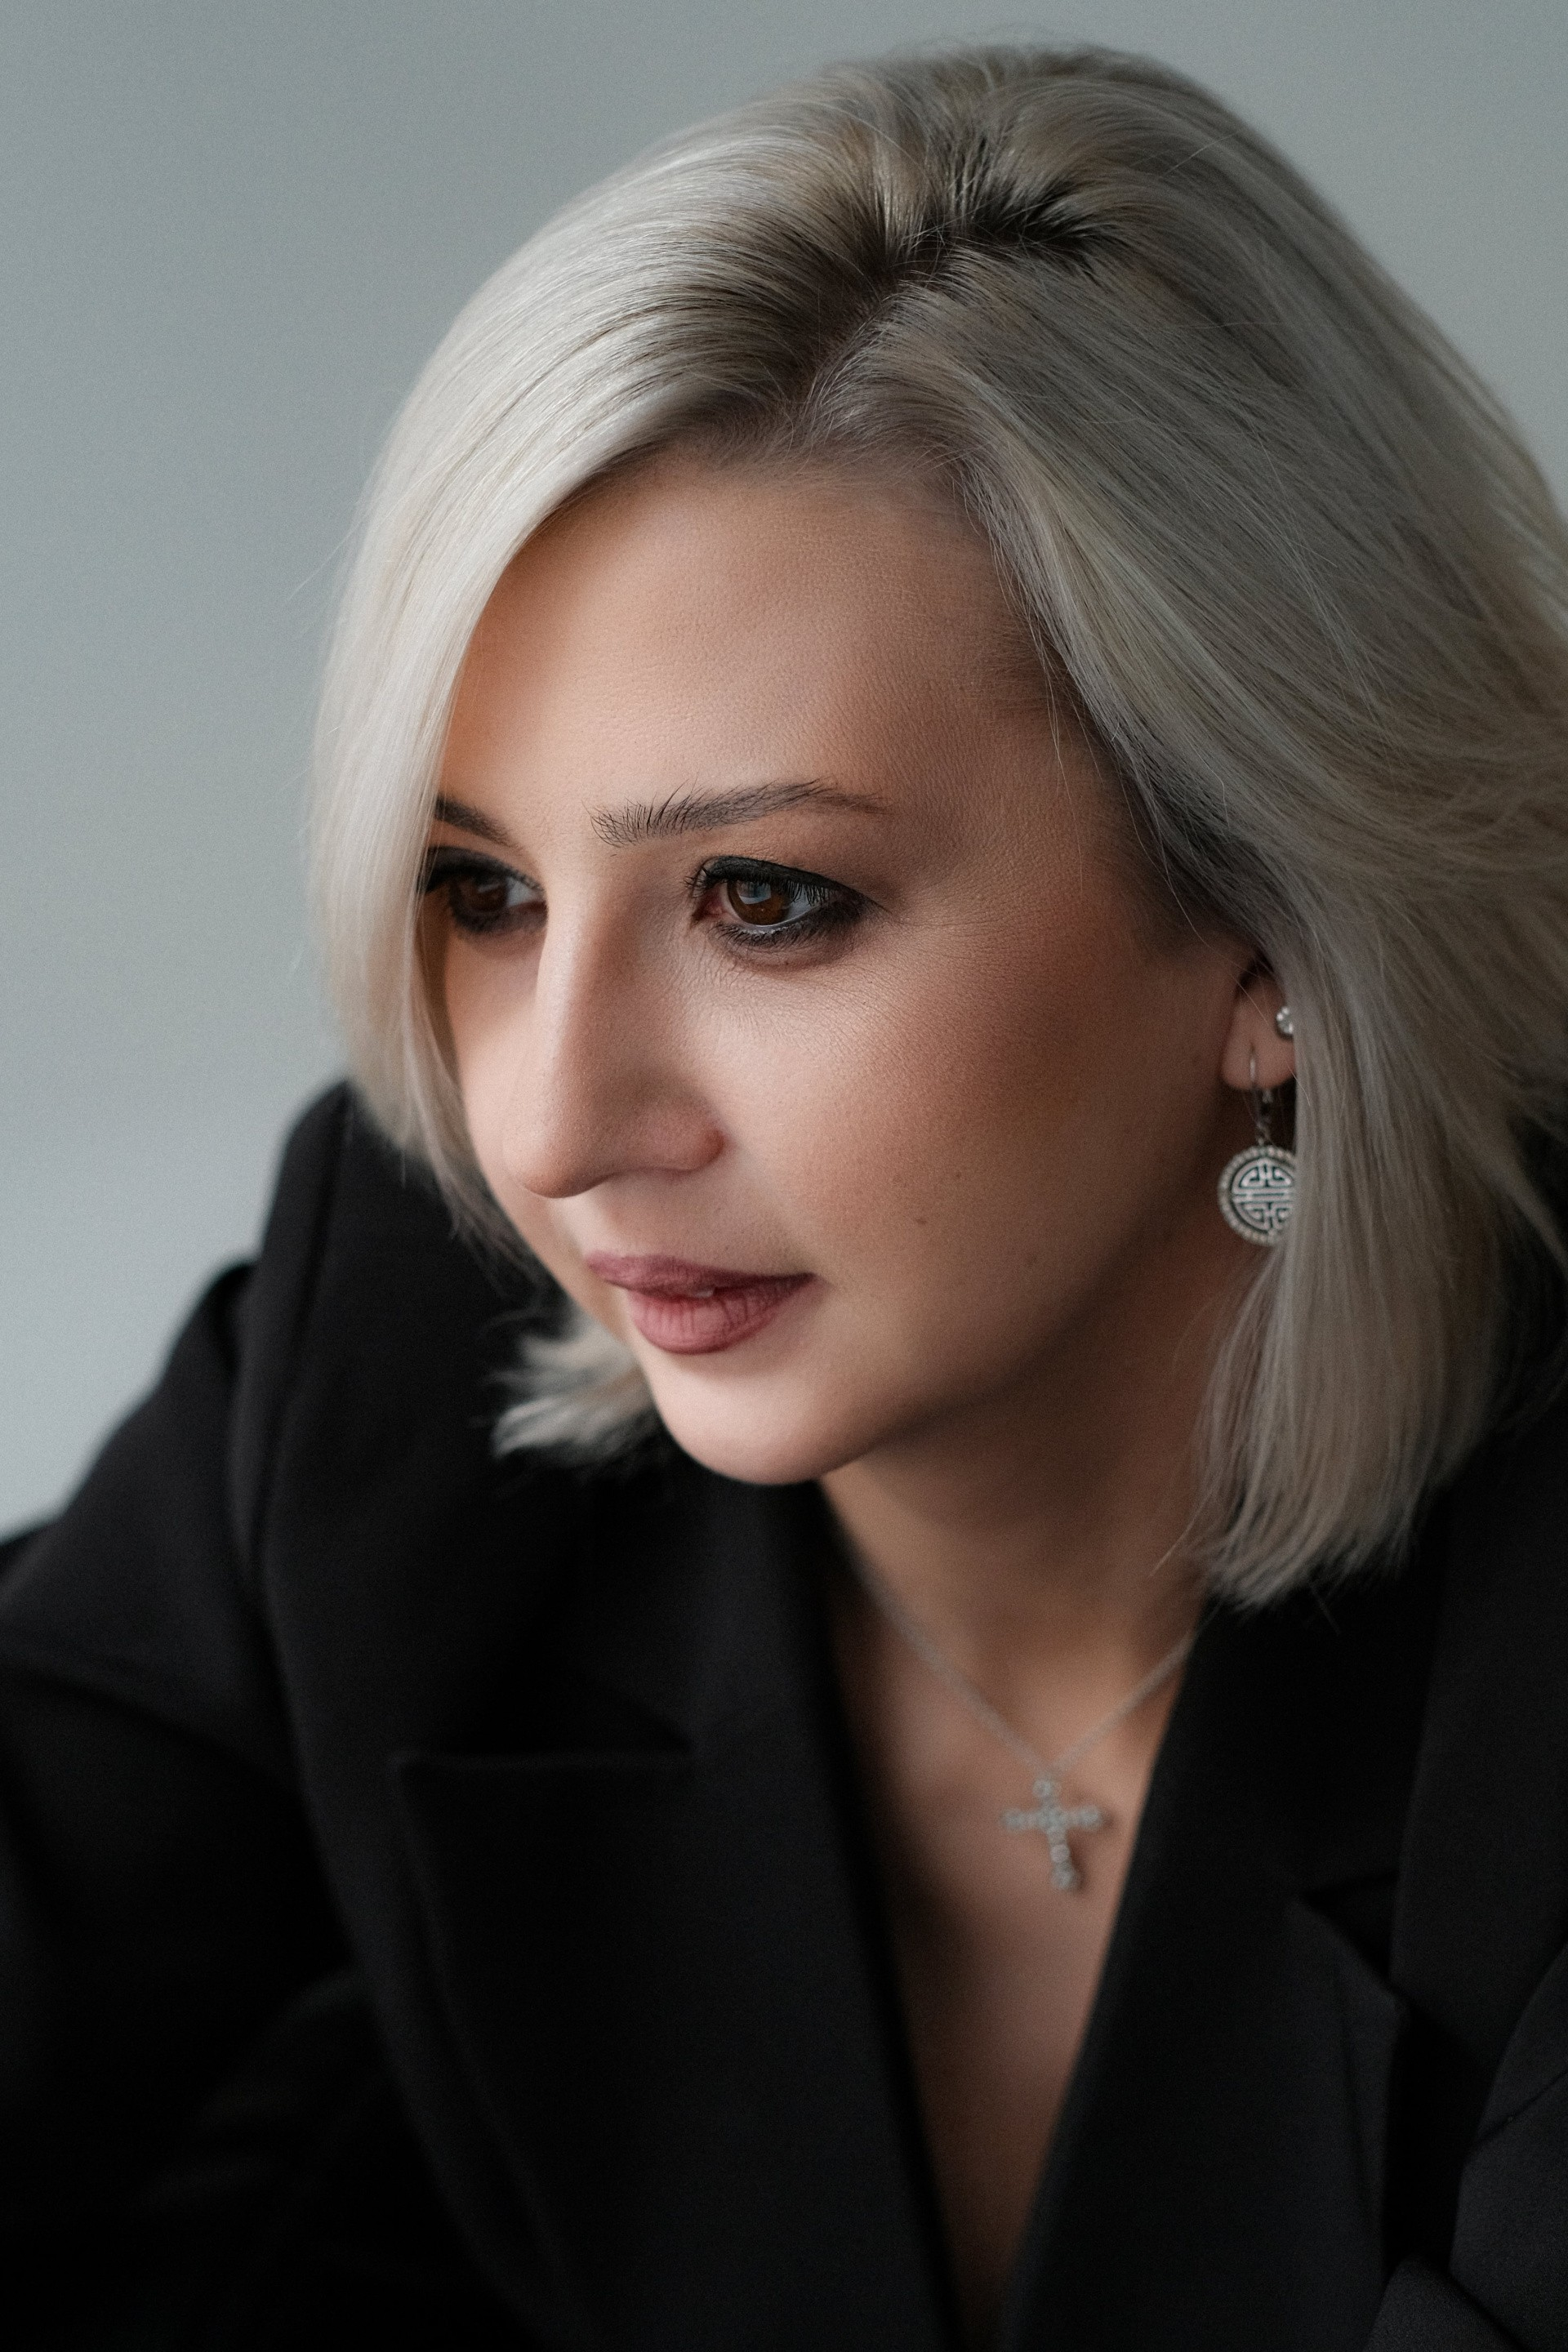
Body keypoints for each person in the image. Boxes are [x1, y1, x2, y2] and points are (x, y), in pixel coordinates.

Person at [4, 42, 1568, 2352]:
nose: (549, 1127)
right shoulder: (392, 1362)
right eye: (482, 893)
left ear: (1272, 929)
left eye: (765, 901)